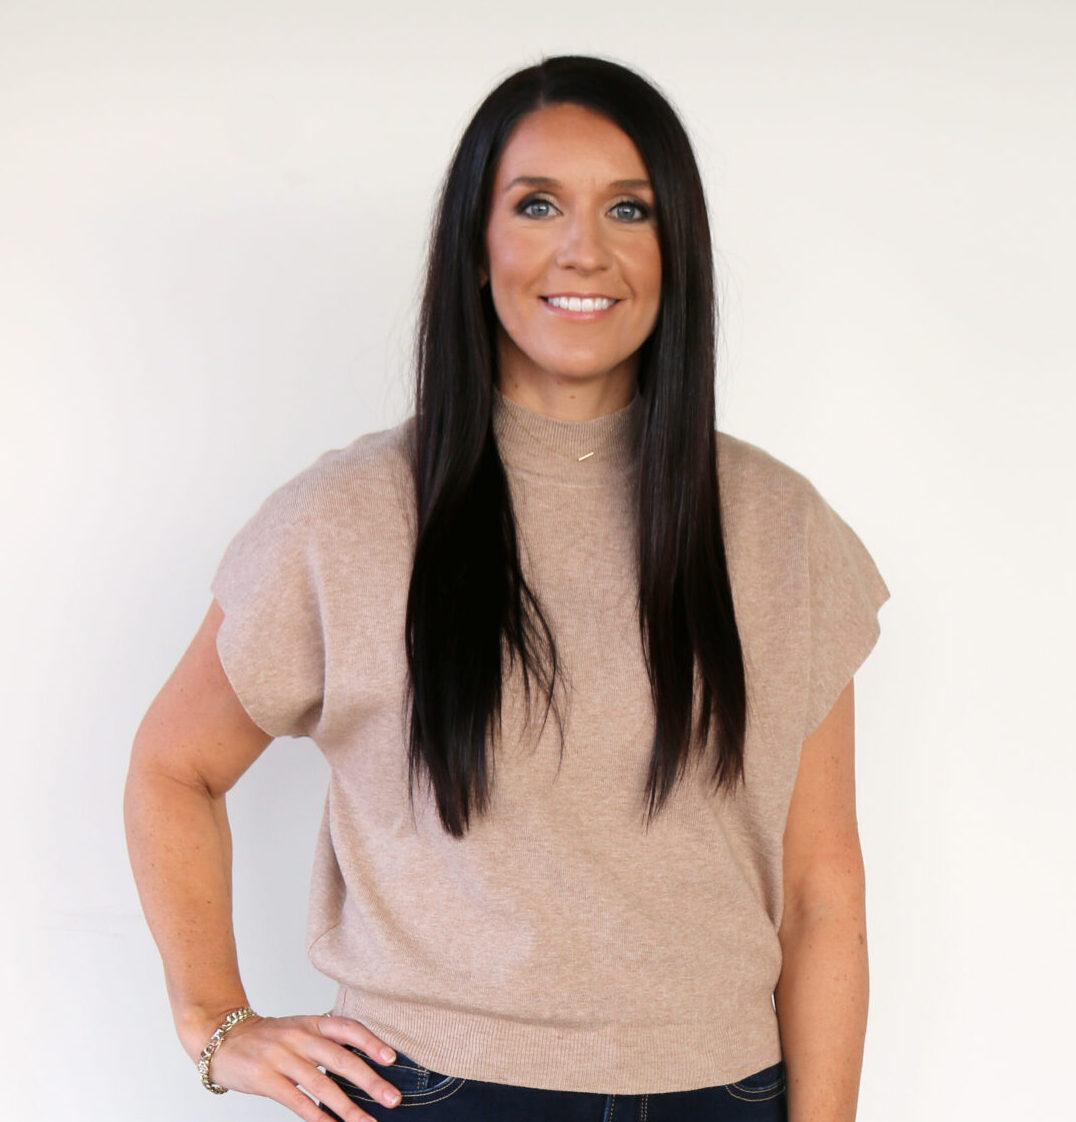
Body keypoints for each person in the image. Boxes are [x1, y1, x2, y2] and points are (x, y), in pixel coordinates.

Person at [124, 55, 889, 1122]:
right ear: (476, 250)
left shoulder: (780, 528)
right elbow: (174, 767)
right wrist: (216, 1021)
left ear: (675, 251)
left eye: (629, 209)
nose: (585, 249)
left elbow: (820, 894)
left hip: (724, 1090)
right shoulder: (346, 519)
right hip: (432, 1090)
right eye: (536, 205)